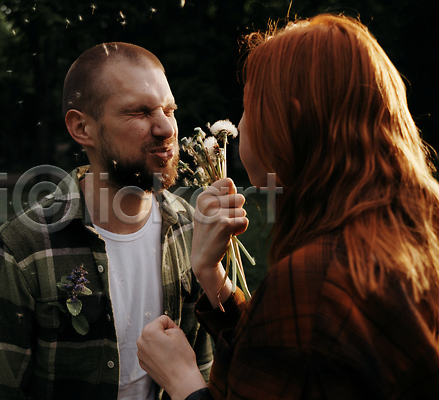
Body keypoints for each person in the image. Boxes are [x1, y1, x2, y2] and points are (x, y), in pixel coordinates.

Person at [137, 14, 439, 399]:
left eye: (247, 107)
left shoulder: (318, 277)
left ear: (291, 120)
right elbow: (299, 363)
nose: (242, 126)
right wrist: (212, 277)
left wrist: (182, 378)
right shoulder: (409, 233)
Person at [0, 42, 212, 400]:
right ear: (82, 128)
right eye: (140, 112)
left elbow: (205, 371)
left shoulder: (191, 230)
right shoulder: (18, 252)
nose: (165, 128)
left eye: (169, 110)